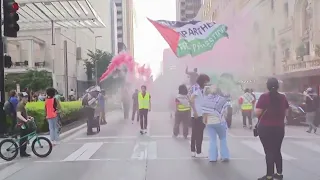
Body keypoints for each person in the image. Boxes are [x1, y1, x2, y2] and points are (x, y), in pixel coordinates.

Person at [255, 77, 288, 180]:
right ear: (278, 86)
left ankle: (269, 175)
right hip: (279, 127)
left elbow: (258, 112)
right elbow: (286, 112)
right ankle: (279, 174)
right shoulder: (283, 97)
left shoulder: (264, 97)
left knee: (269, 151)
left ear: (267, 86)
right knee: (277, 150)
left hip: (266, 127)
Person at [203, 86, 230, 162]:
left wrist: (205, 120)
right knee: (223, 139)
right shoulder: (222, 100)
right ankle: (225, 156)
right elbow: (226, 111)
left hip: (210, 122)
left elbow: (204, 112)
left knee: (212, 140)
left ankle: (212, 157)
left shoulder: (206, 100)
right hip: (220, 122)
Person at [190, 74, 210, 157]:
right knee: (198, 133)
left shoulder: (204, 90)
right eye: (206, 82)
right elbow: (191, 100)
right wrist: (195, 112)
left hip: (201, 113)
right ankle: (197, 152)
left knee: (196, 133)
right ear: (203, 81)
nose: (207, 83)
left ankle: (194, 151)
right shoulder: (196, 88)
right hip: (197, 114)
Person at [16, 92, 33, 157]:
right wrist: (25, 120)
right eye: (25, 97)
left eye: (27, 97)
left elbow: (24, 114)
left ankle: (23, 152)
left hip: (24, 123)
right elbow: (18, 115)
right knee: (23, 138)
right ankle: (22, 153)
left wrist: (28, 117)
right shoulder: (20, 105)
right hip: (21, 124)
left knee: (25, 138)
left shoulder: (23, 105)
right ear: (22, 98)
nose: (26, 98)